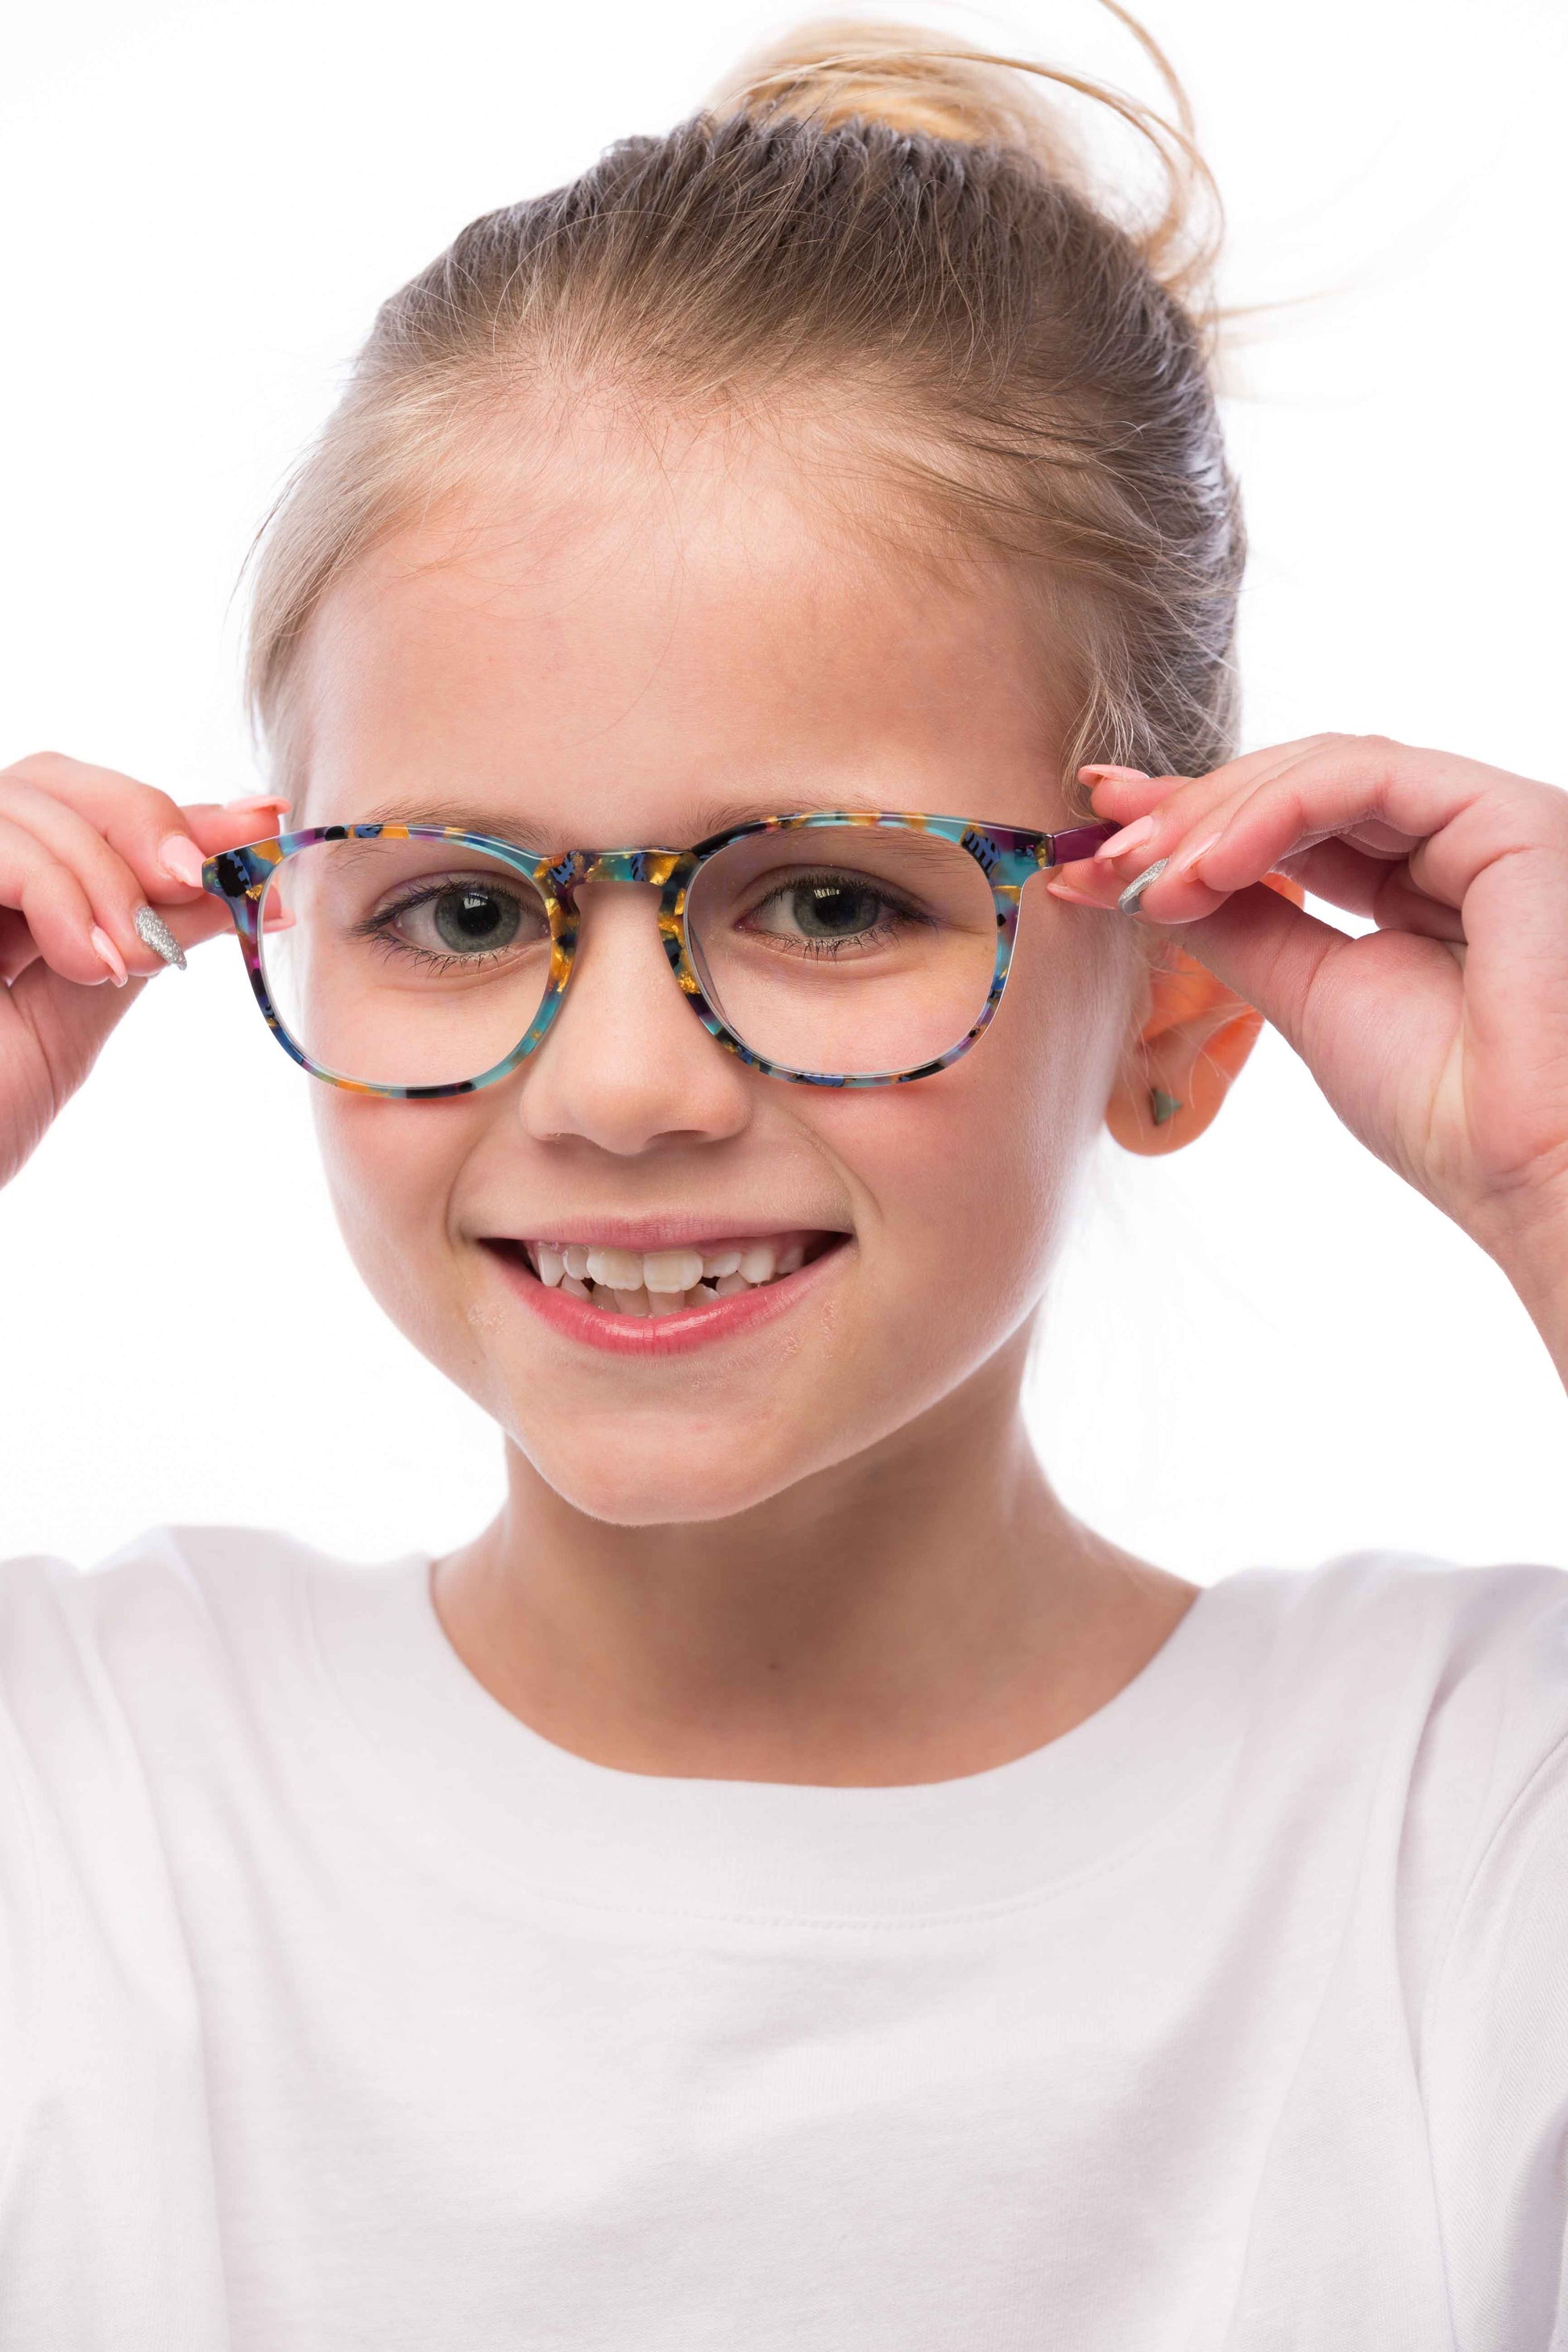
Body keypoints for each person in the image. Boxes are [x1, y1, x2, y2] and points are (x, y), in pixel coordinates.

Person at [1, 15, 1565, 2348]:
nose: (624, 1087)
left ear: (1179, 995)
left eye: (830, 899)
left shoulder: (1469, 1827)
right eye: (455, 906)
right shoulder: (78, 1799)